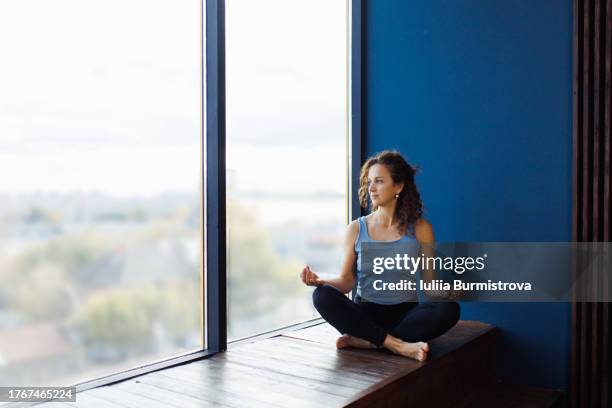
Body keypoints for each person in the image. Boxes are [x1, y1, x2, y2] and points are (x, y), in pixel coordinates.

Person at [299, 150, 460, 361]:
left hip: (405, 316)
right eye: (369, 182)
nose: (371, 188)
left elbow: (429, 285)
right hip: (366, 314)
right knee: (321, 295)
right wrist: (321, 281)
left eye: (379, 181)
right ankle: (397, 345)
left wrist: (449, 291)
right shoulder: (356, 228)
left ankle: (371, 341)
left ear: (398, 186)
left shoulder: (421, 229)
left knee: (449, 309)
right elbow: (347, 281)